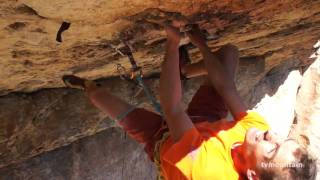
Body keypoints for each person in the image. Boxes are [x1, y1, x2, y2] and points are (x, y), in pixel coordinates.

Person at [62, 24, 316, 180]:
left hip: (165, 142)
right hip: (205, 124)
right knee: (229, 54)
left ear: (251, 176)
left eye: (272, 149)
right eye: (281, 139)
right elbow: (225, 86)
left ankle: (86, 86)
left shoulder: (210, 174)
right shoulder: (261, 134)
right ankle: (183, 71)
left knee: (99, 96)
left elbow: (173, 109)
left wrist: (172, 43)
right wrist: (199, 43)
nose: (271, 135)